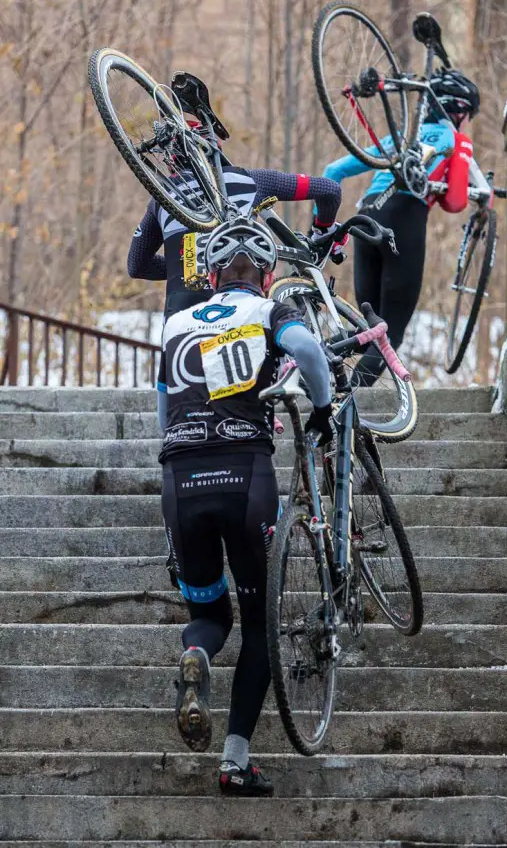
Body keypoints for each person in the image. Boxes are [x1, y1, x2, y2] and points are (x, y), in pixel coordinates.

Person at [159, 216, 333, 797]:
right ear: (266, 274)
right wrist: (324, 409)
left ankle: (197, 656)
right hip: (245, 474)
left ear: (209, 275)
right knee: (261, 622)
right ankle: (235, 760)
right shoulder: (267, 310)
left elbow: (163, 413)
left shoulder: (177, 323)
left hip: (180, 480)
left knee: (210, 617)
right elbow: (307, 348)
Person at [127, 71, 347, 427]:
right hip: (243, 317)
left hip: (181, 330)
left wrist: (186, 266)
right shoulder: (248, 180)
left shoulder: (161, 200)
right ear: (212, 148)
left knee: (183, 421)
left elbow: (136, 265)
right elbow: (329, 191)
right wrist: (324, 229)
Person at [322, 68, 480, 385]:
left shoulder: (399, 138)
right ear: (459, 111)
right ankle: (347, 404)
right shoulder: (456, 140)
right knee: (388, 333)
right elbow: (456, 202)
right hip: (403, 219)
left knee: (368, 327)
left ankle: (313, 374)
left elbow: (332, 171)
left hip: (364, 218)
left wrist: (323, 227)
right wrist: (462, 154)